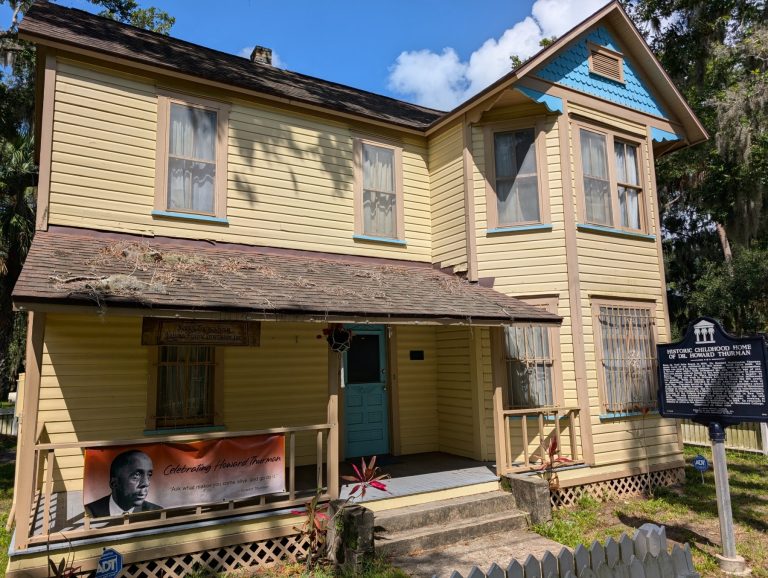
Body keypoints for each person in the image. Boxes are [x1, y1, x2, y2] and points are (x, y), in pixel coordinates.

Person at [85, 449, 162, 517]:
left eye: (149, 475)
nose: (146, 483)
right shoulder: (91, 511)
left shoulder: (155, 512)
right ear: (114, 483)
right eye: (136, 475)